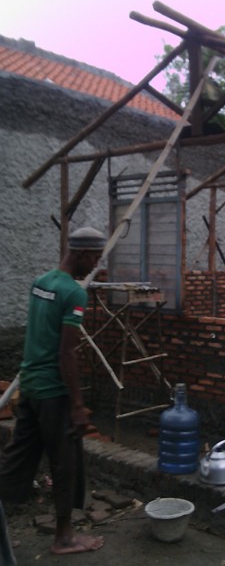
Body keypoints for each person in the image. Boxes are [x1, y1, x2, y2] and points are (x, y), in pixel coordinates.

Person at [0, 227, 107, 555]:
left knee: (16, 459)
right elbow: (66, 352)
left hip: (30, 386)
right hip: (52, 392)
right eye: (95, 257)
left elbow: (37, 335)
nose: (97, 265)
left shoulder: (41, 283)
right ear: (81, 253)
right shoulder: (74, 293)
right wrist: (76, 404)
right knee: (65, 462)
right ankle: (64, 537)